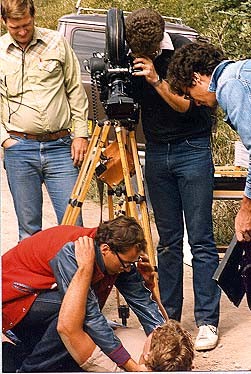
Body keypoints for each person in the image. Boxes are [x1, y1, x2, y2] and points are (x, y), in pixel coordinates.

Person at [125, 8, 221, 351]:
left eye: (148, 51)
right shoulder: (131, 51)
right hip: (156, 151)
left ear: (159, 41)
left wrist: (154, 79)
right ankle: (170, 320)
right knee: (167, 242)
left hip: (191, 148)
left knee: (201, 239)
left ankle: (207, 320)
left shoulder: (183, 50)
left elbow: (184, 106)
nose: (143, 56)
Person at [2, 216, 166, 372]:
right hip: (13, 303)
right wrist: (131, 367)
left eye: (132, 263)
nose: (128, 269)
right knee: (74, 313)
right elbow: (89, 316)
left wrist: (164, 343)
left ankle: (25, 353)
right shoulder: (73, 252)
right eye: (126, 264)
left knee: (74, 348)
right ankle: (29, 370)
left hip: (40, 303)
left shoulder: (119, 254)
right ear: (105, 249)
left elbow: (143, 302)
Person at [0, 0, 89, 241]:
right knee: (28, 232)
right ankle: (31, 280)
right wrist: (5, 141)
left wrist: (81, 134)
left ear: (33, 16)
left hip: (61, 148)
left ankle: (72, 279)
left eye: (26, 25)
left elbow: (75, 89)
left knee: (73, 227)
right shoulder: (0, 53)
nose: (21, 32)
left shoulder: (56, 42)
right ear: (4, 22)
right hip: (19, 148)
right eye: (14, 27)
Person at [57, 235, 195, 372]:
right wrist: (150, 288)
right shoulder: (171, 360)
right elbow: (166, 330)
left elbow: (68, 328)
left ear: (147, 356)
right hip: (108, 330)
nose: (158, 329)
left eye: (157, 334)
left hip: (89, 334)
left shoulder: (110, 368)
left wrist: (85, 268)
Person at [166, 42, 251, 244]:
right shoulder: (242, 69)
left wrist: (246, 208)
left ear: (196, 77)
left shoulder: (229, 86)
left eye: (189, 94)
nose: (195, 102)